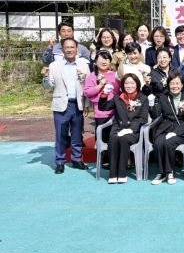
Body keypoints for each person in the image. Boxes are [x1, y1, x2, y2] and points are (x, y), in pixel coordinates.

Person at [42, 38, 91, 174]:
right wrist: (45, 77)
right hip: (61, 104)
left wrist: (87, 104)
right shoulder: (54, 65)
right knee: (60, 135)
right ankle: (60, 162)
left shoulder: (83, 65)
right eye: (67, 47)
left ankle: (76, 159)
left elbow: (87, 86)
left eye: (72, 47)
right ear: (62, 49)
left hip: (78, 104)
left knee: (77, 135)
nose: (69, 50)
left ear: (77, 49)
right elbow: (48, 86)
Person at [98, 73, 149, 183]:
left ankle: (122, 173)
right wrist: (104, 93)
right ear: (123, 85)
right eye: (126, 83)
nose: (129, 86)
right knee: (113, 138)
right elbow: (103, 107)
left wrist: (131, 129)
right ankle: (113, 174)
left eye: (132, 83)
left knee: (123, 139)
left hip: (133, 131)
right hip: (118, 128)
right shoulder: (118, 97)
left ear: (137, 84)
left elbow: (143, 119)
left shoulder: (143, 98)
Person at [148, 71, 184, 185]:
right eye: (172, 83)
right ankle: (161, 172)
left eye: (177, 83)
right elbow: (156, 115)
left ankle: (169, 172)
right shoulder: (163, 98)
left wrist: (176, 132)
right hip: (164, 128)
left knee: (168, 143)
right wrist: (151, 105)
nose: (175, 86)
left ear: (182, 85)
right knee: (158, 143)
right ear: (168, 85)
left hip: (180, 131)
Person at [84, 51, 120, 145]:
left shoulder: (115, 75)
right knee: (102, 140)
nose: (104, 61)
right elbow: (87, 92)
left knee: (114, 139)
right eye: (101, 59)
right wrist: (100, 85)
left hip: (116, 112)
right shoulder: (92, 76)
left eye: (106, 59)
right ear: (96, 61)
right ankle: (101, 154)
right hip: (101, 113)